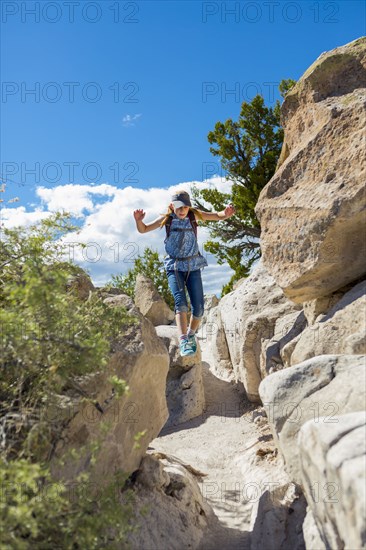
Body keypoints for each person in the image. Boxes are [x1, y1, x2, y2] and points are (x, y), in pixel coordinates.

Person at [133, 190, 235, 357]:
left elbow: (217, 216)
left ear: (189, 207)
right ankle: (183, 340)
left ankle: (191, 334)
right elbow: (143, 229)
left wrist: (226, 213)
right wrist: (138, 221)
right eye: (179, 207)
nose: (182, 211)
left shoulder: (194, 216)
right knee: (180, 303)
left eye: (185, 207)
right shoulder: (167, 220)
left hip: (193, 265)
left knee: (199, 309)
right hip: (174, 267)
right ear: (172, 206)